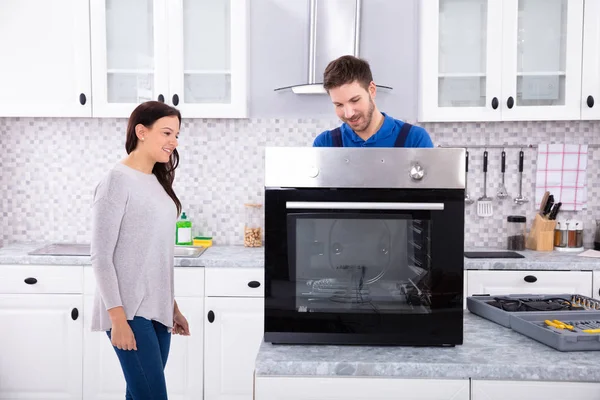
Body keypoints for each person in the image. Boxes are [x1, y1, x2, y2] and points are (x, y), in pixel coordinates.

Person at [90, 101, 190, 400]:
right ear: (141, 132)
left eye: (176, 135)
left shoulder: (157, 181)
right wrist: (117, 321)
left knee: (139, 394)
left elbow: (153, 255)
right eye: (167, 133)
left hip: (157, 311)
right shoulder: (116, 181)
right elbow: (101, 257)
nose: (173, 142)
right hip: (129, 311)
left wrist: (172, 306)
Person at [313, 55, 434, 148]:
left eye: (355, 100)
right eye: (339, 105)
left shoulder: (414, 139)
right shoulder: (325, 144)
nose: (348, 113)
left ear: (372, 90)